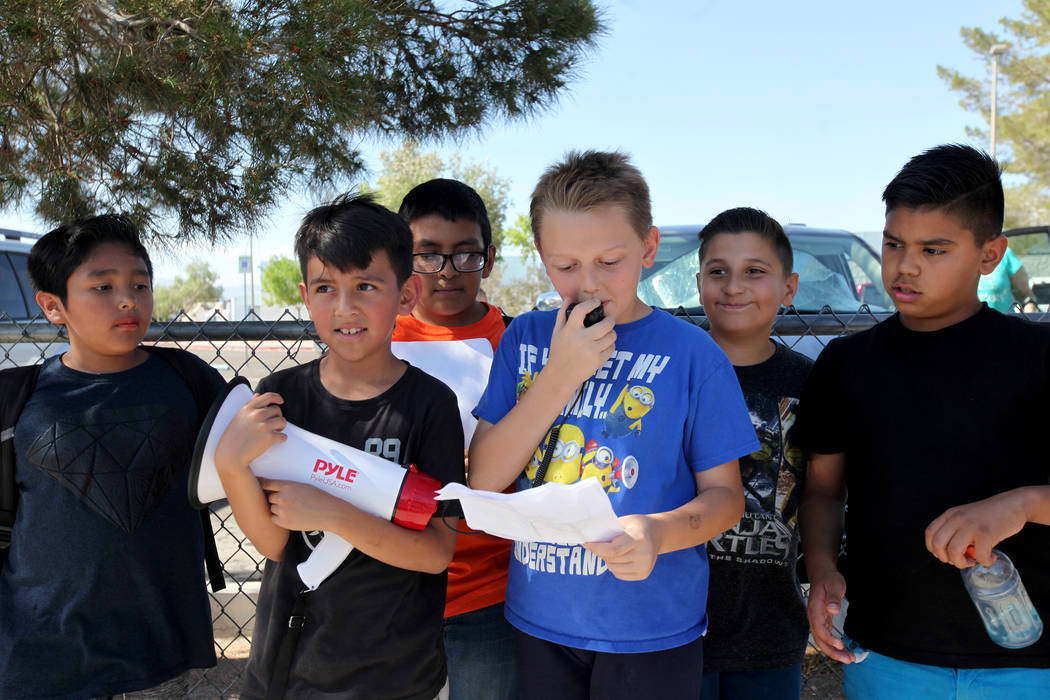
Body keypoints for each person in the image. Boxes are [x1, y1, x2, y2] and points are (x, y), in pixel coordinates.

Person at [469, 150, 755, 700]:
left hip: (651, 626)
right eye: (566, 266)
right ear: (541, 256)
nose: (589, 284)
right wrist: (560, 375)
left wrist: (658, 534)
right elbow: (484, 477)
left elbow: (726, 499)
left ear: (648, 248)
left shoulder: (693, 355)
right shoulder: (525, 338)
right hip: (540, 617)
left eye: (609, 261)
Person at [796, 144, 1050, 699]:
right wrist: (822, 569)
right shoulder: (846, 365)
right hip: (886, 653)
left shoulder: (1039, 356)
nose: (905, 266)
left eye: (934, 249)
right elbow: (821, 491)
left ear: (990, 254)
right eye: (894, 244)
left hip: (1031, 660)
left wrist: (1021, 504)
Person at [217, 193, 466, 699]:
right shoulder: (279, 397)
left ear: (406, 294)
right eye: (326, 288)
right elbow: (274, 544)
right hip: (289, 664)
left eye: (365, 286)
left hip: (396, 673)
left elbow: (437, 553)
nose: (345, 307)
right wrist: (229, 463)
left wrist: (333, 512)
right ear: (306, 297)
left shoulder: (431, 404)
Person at [0, 215, 224, 698]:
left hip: (159, 654)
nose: (128, 300)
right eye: (102, 287)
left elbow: (243, 471)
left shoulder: (189, 380)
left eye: (140, 285)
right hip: (40, 655)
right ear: (53, 306)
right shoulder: (18, 399)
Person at [393, 178, 519, 700]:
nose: (446, 271)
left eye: (465, 254)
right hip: (393, 585)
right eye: (427, 256)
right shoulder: (376, 340)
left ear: (488, 260)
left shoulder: (517, 342)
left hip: (490, 589)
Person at [695, 207, 813, 699]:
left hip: (771, 630)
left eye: (755, 271)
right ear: (698, 282)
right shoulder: (673, 369)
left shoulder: (811, 383)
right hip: (675, 629)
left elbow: (824, 494)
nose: (734, 287)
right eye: (718, 271)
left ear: (789, 288)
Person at [977, 245, 1039, 312]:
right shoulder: (968, 254)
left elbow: (1027, 299)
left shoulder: (1005, 254)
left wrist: (1028, 315)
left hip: (1003, 317)